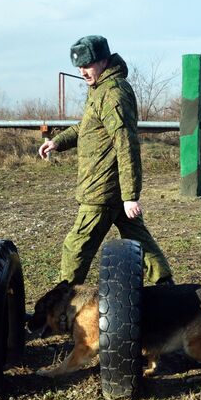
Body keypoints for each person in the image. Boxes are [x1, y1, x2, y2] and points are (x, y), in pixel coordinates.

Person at [38, 35, 173, 286]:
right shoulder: (99, 90)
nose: (82, 71)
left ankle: (63, 302)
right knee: (140, 240)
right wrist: (57, 142)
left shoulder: (112, 94)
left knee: (75, 246)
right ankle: (167, 287)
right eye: (79, 67)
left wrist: (130, 195)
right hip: (111, 189)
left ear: (103, 61)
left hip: (103, 189)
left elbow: (126, 143)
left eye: (87, 65)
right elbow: (87, 127)